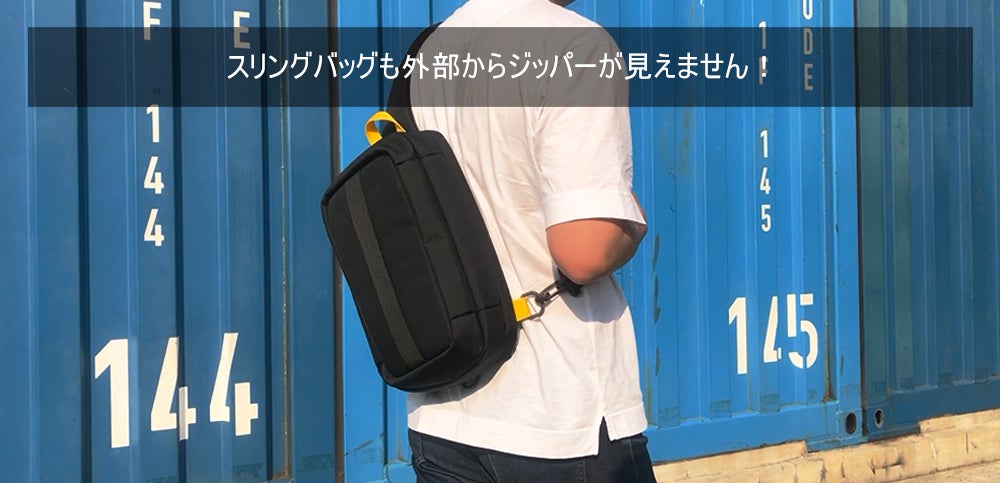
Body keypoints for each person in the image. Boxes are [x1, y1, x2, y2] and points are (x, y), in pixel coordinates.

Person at [407, 0, 655, 481]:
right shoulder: (574, 44)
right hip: (560, 420)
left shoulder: (431, 49)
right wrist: (634, 221)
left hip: (444, 414)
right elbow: (583, 252)